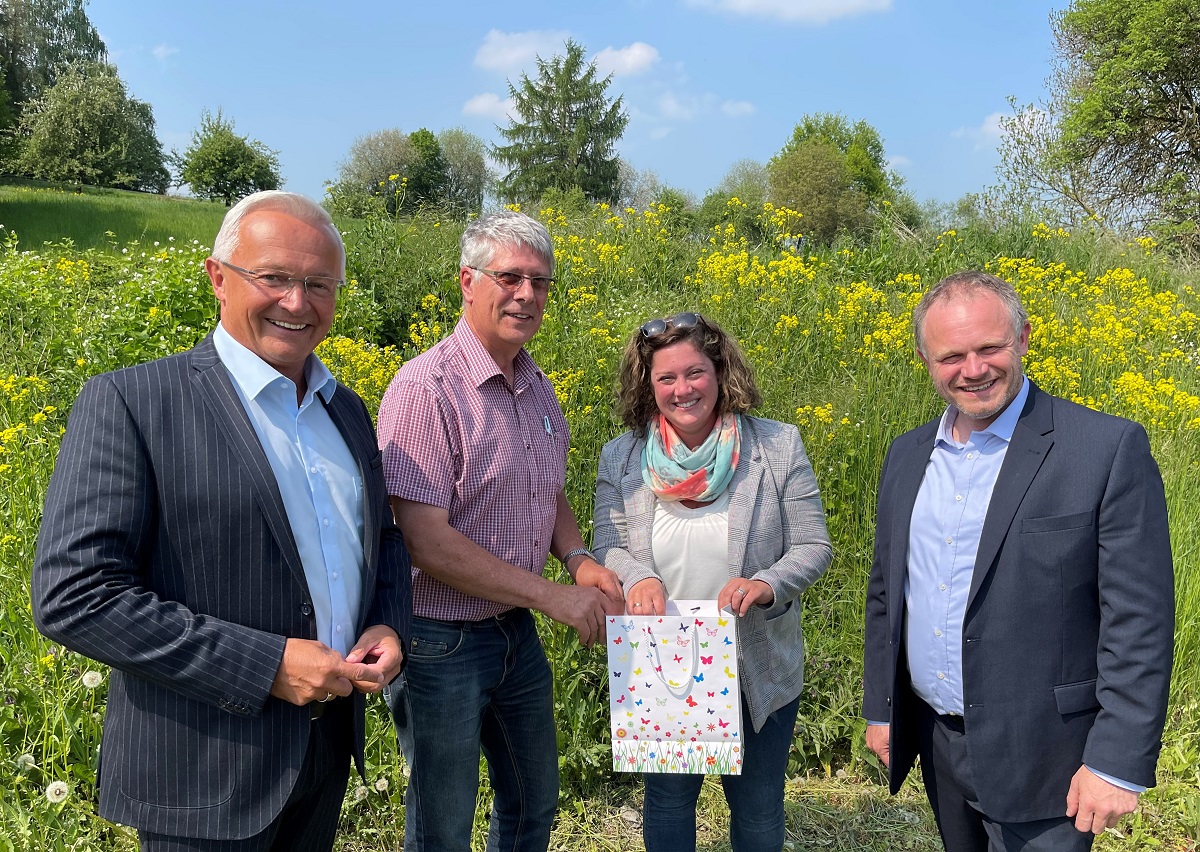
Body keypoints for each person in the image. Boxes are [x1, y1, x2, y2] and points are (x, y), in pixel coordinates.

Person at [32, 190, 412, 851]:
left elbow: (380, 538)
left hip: (322, 756)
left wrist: (386, 620)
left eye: (319, 284)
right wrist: (265, 665)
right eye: (274, 278)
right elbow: (74, 596)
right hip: (202, 772)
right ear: (218, 278)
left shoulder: (344, 410)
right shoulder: (134, 402)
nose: (298, 303)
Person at [862, 271, 1175, 851]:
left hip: (1050, 757)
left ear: (1024, 339)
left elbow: (1140, 622)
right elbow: (889, 591)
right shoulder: (908, 455)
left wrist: (1116, 761)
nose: (973, 369)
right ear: (926, 360)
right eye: (951, 355)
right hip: (937, 739)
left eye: (989, 348)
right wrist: (882, 709)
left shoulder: (1104, 450)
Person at [376, 210, 624, 852]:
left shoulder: (537, 387)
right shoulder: (425, 389)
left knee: (532, 803)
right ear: (467, 280)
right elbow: (427, 543)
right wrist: (555, 597)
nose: (526, 295)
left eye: (540, 283)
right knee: (444, 824)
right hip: (438, 644)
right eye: (510, 277)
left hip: (513, 633)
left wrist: (577, 560)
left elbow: (546, 493)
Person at [593, 311, 833, 852]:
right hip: (663, 661)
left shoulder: (777, 446)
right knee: (670, 803)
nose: (683, 389)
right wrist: (638, 578)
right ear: (647, 385)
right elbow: (607, 544)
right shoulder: (622, 455)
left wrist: (767, 583)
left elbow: (815, 546)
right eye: (667, 378)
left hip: (757, 663)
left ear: (721, 371)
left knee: (756, 807)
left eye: (695, 372)